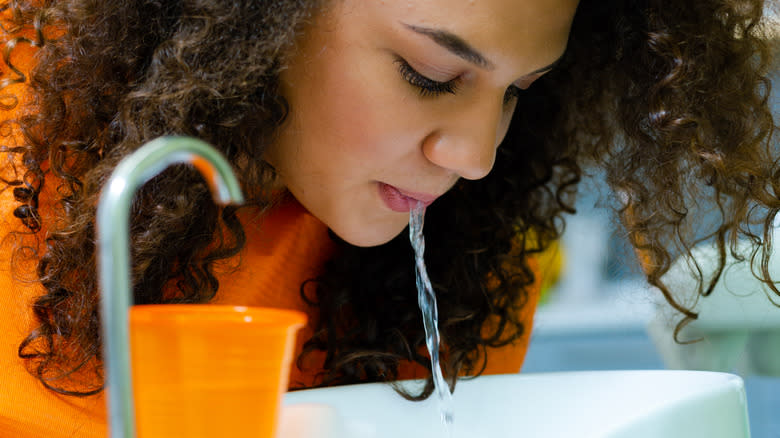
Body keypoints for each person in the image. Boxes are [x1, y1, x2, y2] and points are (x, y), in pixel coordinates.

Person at [0, 0, 777, 435]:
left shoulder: (470, 251)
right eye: (431, 74)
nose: (475, 155)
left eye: (518, 92)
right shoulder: (24, 147)